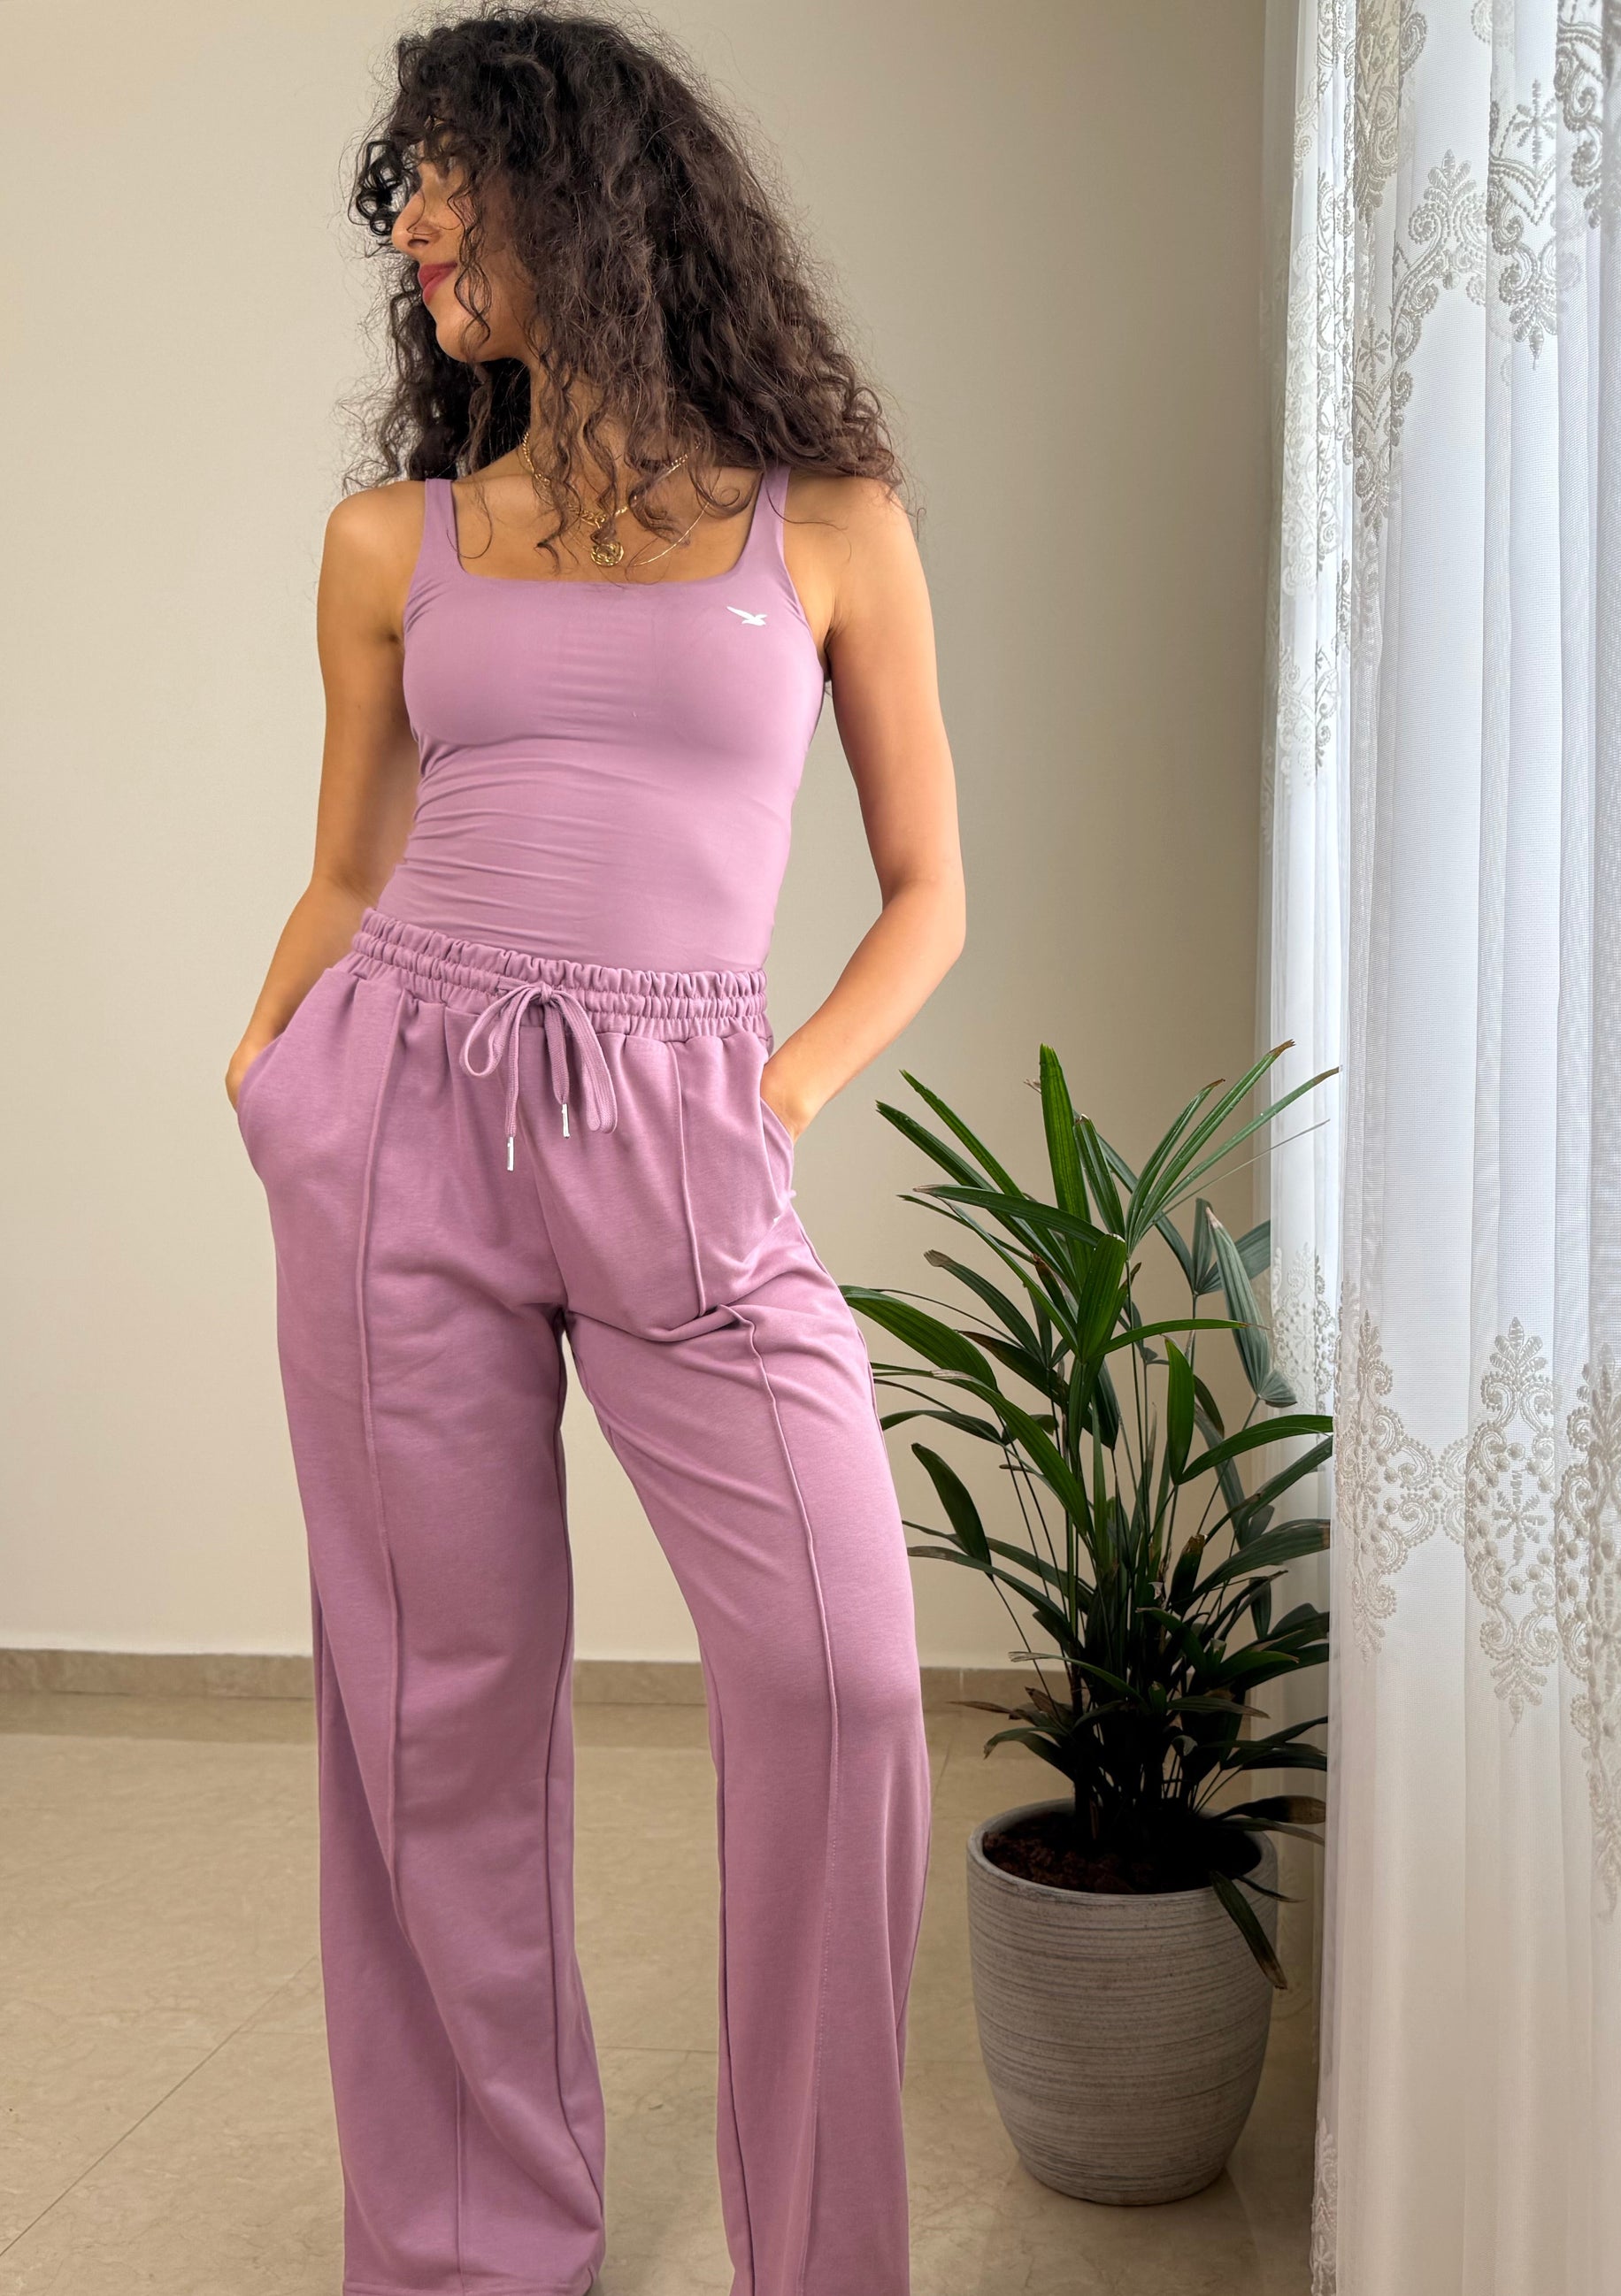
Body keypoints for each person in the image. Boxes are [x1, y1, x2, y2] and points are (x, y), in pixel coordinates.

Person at [226, 11, 964, 2294]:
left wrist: (772, 1097)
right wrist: (271, 1080)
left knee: (842, 1677)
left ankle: (817, 2259)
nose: (416, 233)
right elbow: (347, 872)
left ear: (589, 194)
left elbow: (929, 891)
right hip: (400, 1128)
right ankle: (480, 2255)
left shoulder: (827, 526)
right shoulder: (392, 541)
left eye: (451, 183)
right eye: (404, 198)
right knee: (439, 1720)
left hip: (688, 1138)